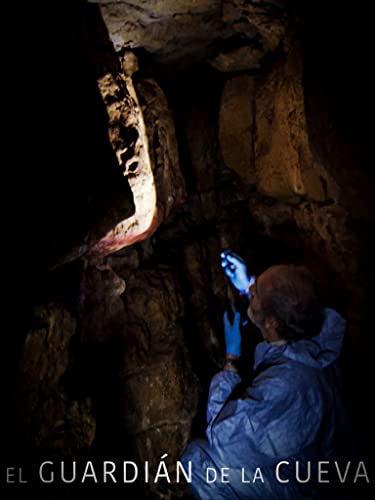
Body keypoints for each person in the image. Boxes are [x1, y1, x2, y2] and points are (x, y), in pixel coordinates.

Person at [181, 250, 352, 499]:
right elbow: (283, 307)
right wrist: (248, 283)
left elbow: (223, 437)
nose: (251, 289)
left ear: (271, 322)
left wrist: (231, 360)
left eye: (256, 291)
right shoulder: (314, 337)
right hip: (312, 458)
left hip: (308, 487)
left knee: (197, 460)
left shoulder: (285, 387)